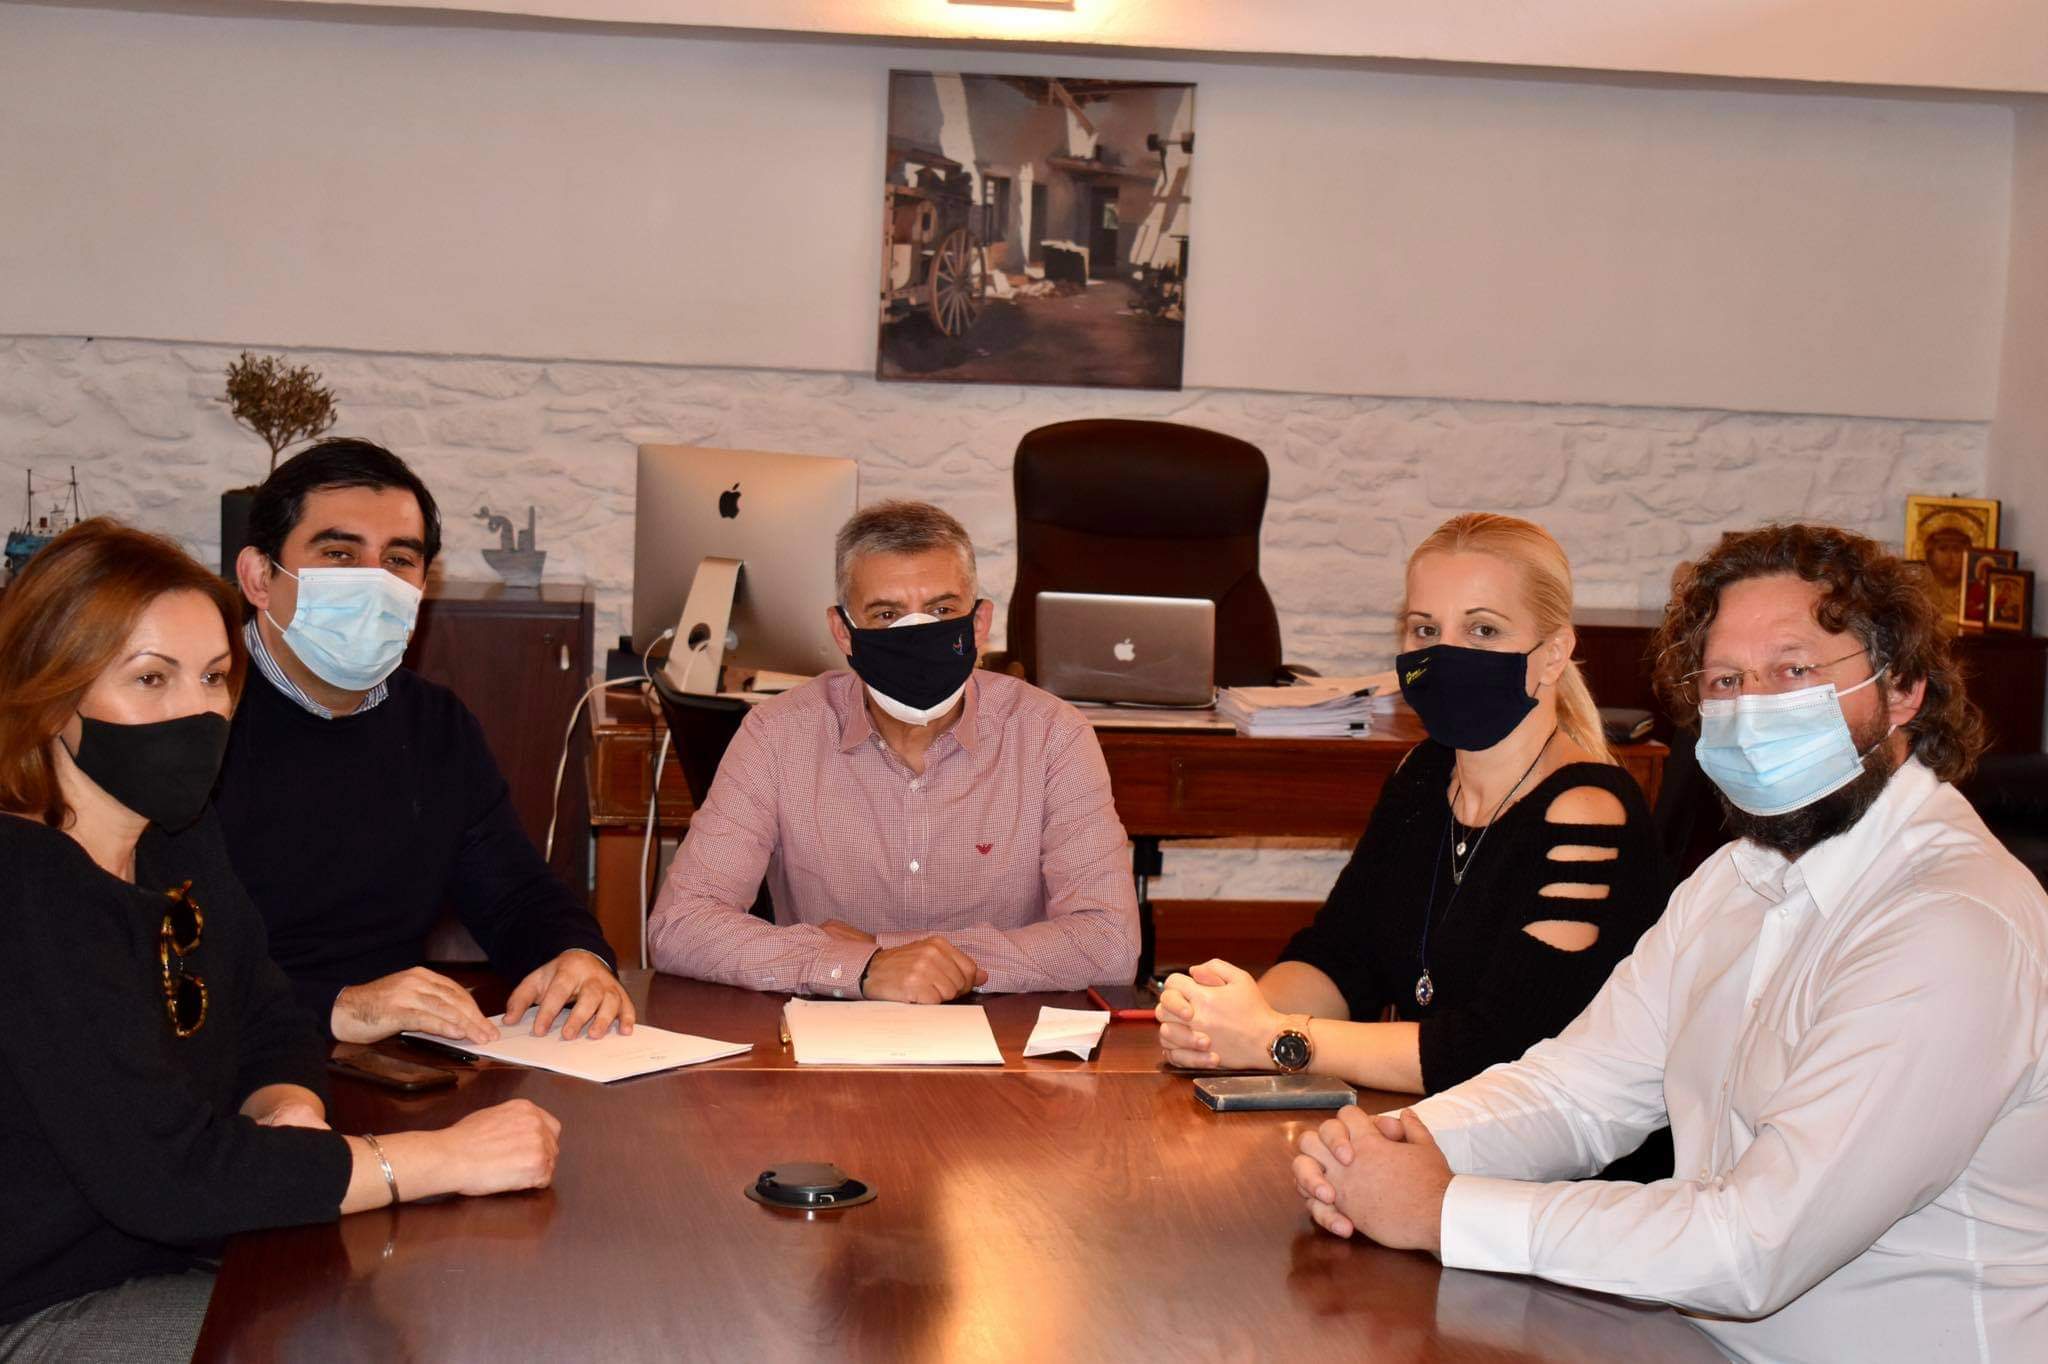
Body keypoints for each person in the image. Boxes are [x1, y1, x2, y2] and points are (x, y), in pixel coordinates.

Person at [1289, 523, 2048, 1364]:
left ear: (1901, 689)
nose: (1752, 707)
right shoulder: (1736, 877)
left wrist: (1442, 1210)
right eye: (1725, 680)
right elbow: (1584, 1088)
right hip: (1694, 1339)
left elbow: (1755, 1245)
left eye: (1793, 671)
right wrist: (1399, 1144)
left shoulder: (1953, 926)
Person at [0, 520, 560, 1360]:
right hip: (42, 1304)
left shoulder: (177, 838)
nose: (196, 710)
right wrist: (433, 1160)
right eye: (150, 678)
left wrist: (286, 1104)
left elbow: (264, 1014)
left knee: (449, 1307)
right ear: (50, 694)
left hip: (176, 1254)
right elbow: (166, 1178)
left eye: (213, 677)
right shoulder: (26, 883)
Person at [1154, 513, 1670, 1097]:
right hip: (1427, 1123)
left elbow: (1500, 1052)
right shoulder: (1424, 773)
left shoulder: (1589, 814)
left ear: (1553, 655)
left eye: (1482, 630)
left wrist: (1275, 1038)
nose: (1445, 654)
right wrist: (1225, 1022)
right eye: (1425, 630)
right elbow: (1340, 956)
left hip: (1548, 1145)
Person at [217, 438, 630, 1045]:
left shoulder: (435, 725)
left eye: (398, 560)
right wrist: (334, 1005)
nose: (372, 581)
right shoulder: (193, 716)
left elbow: (513, 894)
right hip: (227, 1054)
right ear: (259, 576)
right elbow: (151, 961)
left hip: (390, 1059)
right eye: (339, 553)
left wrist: (576, 956)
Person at [647, 499, 1140, 1000]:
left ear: (978, 624)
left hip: (1007, 1032)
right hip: (831, 1032)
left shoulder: (1051, 735)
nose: (918, 634)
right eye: (887, 614)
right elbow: (679, 925)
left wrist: (876, 957)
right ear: (843, 632)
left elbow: (1110, 942)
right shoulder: (778, 734)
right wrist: (862, 971)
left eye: (942, 610)